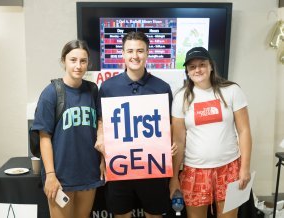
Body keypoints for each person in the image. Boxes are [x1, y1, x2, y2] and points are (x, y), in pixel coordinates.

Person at [95, 31, 176, 218]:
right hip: (120, 165)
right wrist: (101, 148)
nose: (135, 56)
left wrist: (168, 146)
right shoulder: (108, 87)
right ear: (123, 54)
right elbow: (102, 121)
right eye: (130, 51)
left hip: (153, 167)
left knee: (154, 214)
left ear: (147, 53)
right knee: (121, 214)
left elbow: (168, 125)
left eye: (140, 51)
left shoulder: (162, 88)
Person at [170, 47, 252, 218]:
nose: (197, 69)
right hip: (194, 170)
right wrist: (174, 177)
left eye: (202, 64)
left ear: (211, 66)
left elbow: (244, 131)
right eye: (192, 67)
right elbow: (178, 140)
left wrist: (244, 168)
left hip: (229, 168)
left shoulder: (231, 90)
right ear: (187, 71)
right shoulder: (181, 98)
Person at [32, 39, 104, 218]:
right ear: (63, 61)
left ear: (88, 63)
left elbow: (100, 123)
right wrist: (50, 175)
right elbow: (44, 137)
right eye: (73, 60)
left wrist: (102, 159)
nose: (78, 66)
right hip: (61, 175)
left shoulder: (93, 90)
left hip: (88, 172)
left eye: (83, 61)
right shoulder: (51, 93)